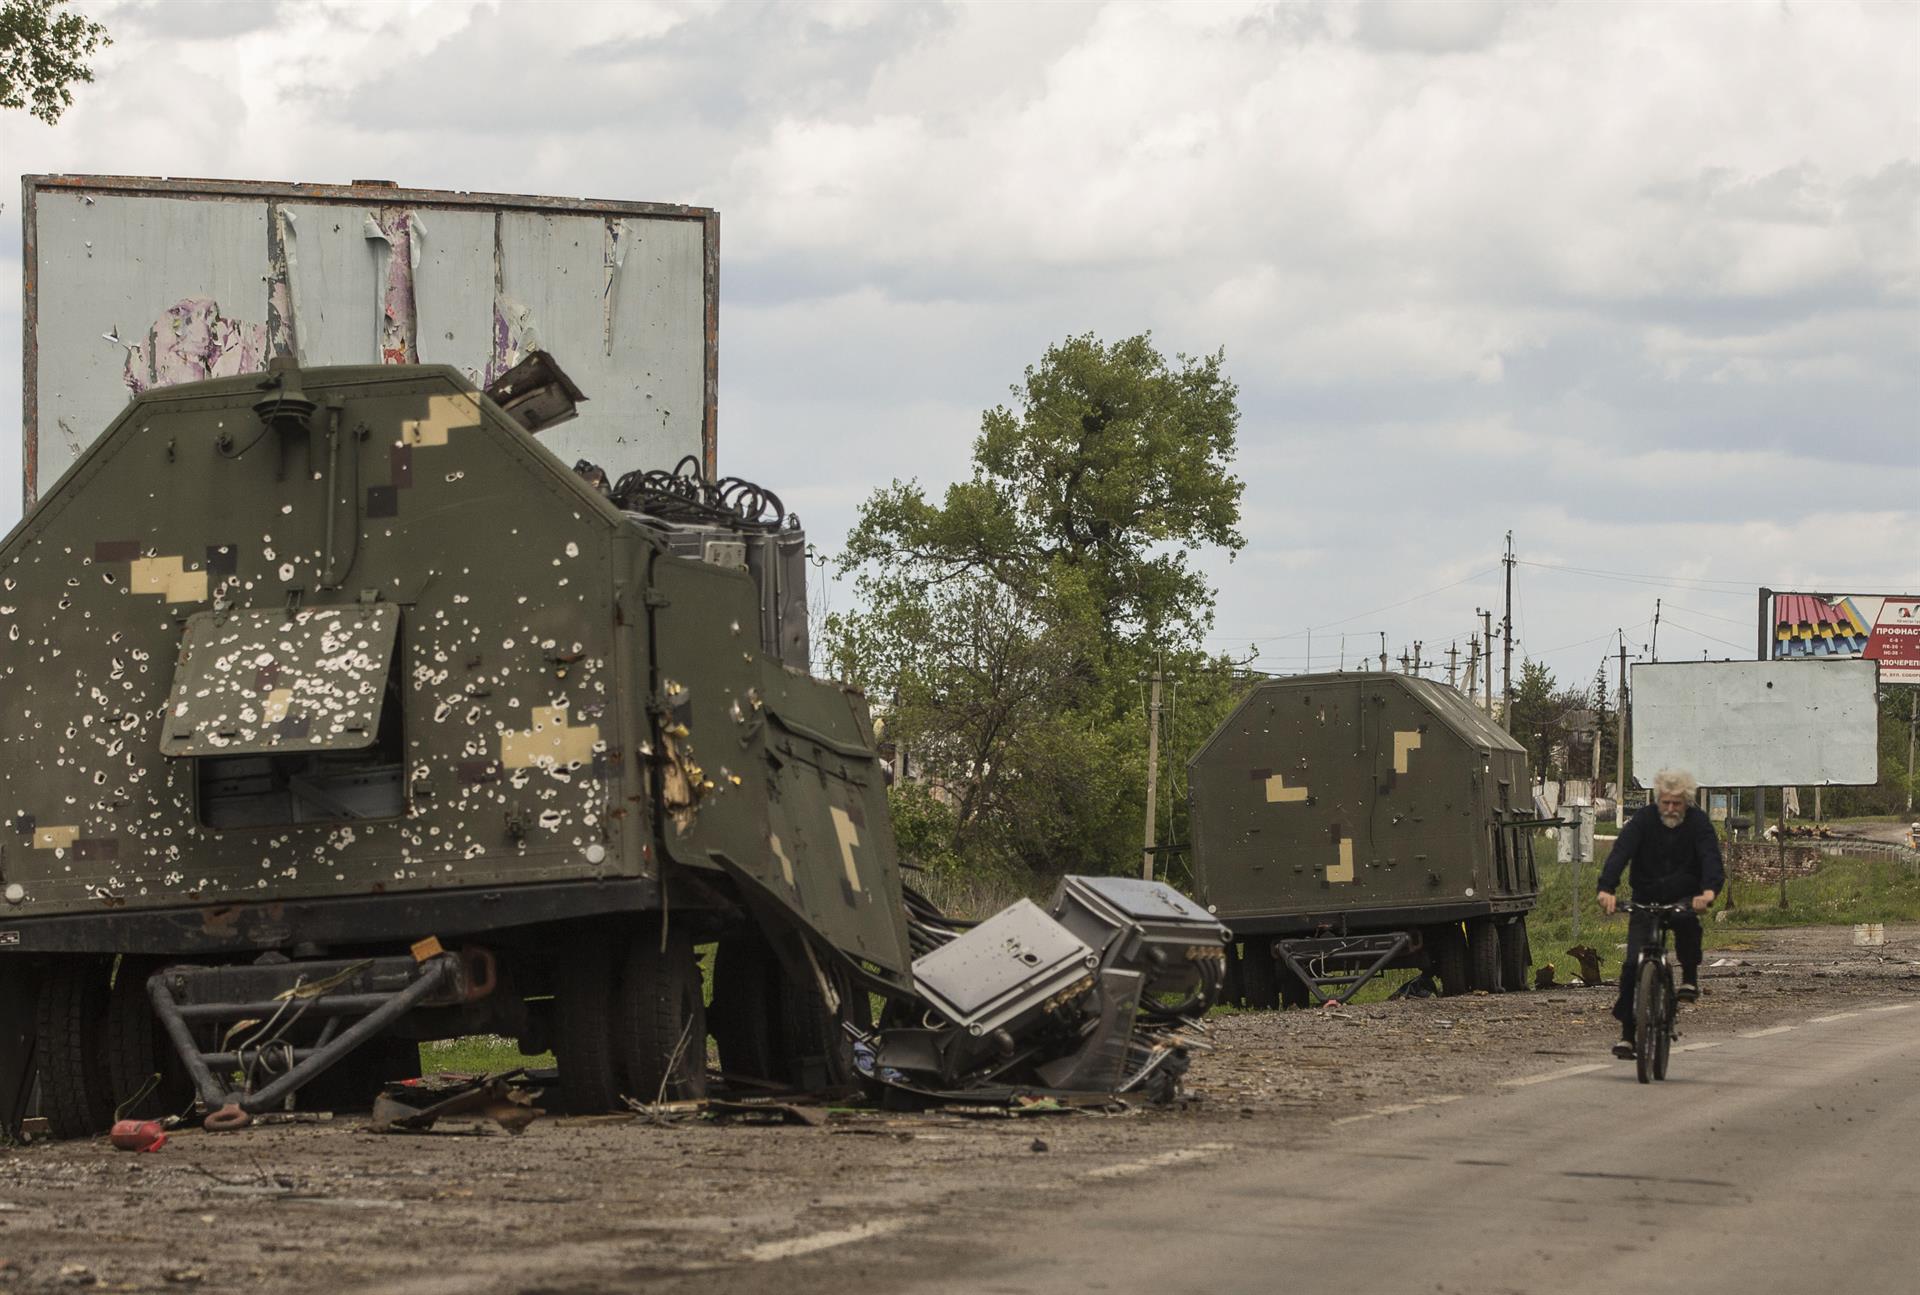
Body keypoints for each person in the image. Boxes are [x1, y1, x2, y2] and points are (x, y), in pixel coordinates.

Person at [1595, 769, 1723, 1060]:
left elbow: (1710, 858)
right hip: (1645, 898)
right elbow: (1621, 852)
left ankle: (1689, 979)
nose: (1670, 809)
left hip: (1683, 897)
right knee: (1631, 965)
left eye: (1677, 803)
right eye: (1665, 802)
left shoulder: (1698, 823)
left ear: (1686, 802)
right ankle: (1628, 1035)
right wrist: (1606, 889)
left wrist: (1708, 892)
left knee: (1688, 925)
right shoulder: (1644, 820)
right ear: (1658, 800)